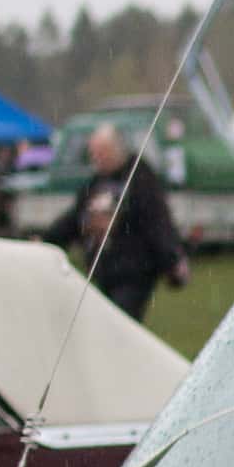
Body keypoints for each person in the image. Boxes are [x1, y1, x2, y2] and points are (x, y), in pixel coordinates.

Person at [42, 122, 188, 321]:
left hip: (134, 272)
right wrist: (46, 241)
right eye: (93, 153)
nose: (96, 158)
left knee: (120, 323)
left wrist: (172, 261)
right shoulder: (96, 183)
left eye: (101, 152)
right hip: (105, 271)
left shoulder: (140, 178)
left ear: (115, 150)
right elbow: (74, 219)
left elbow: (157, 222)